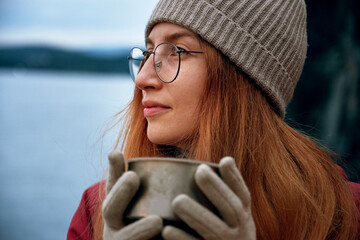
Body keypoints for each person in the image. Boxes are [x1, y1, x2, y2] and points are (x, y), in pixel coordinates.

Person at [67, 0, 360, 239]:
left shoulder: (344, 215)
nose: (143, 78)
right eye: (149, 52)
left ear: (244, 79)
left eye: (177, 51)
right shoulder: (100, 213)